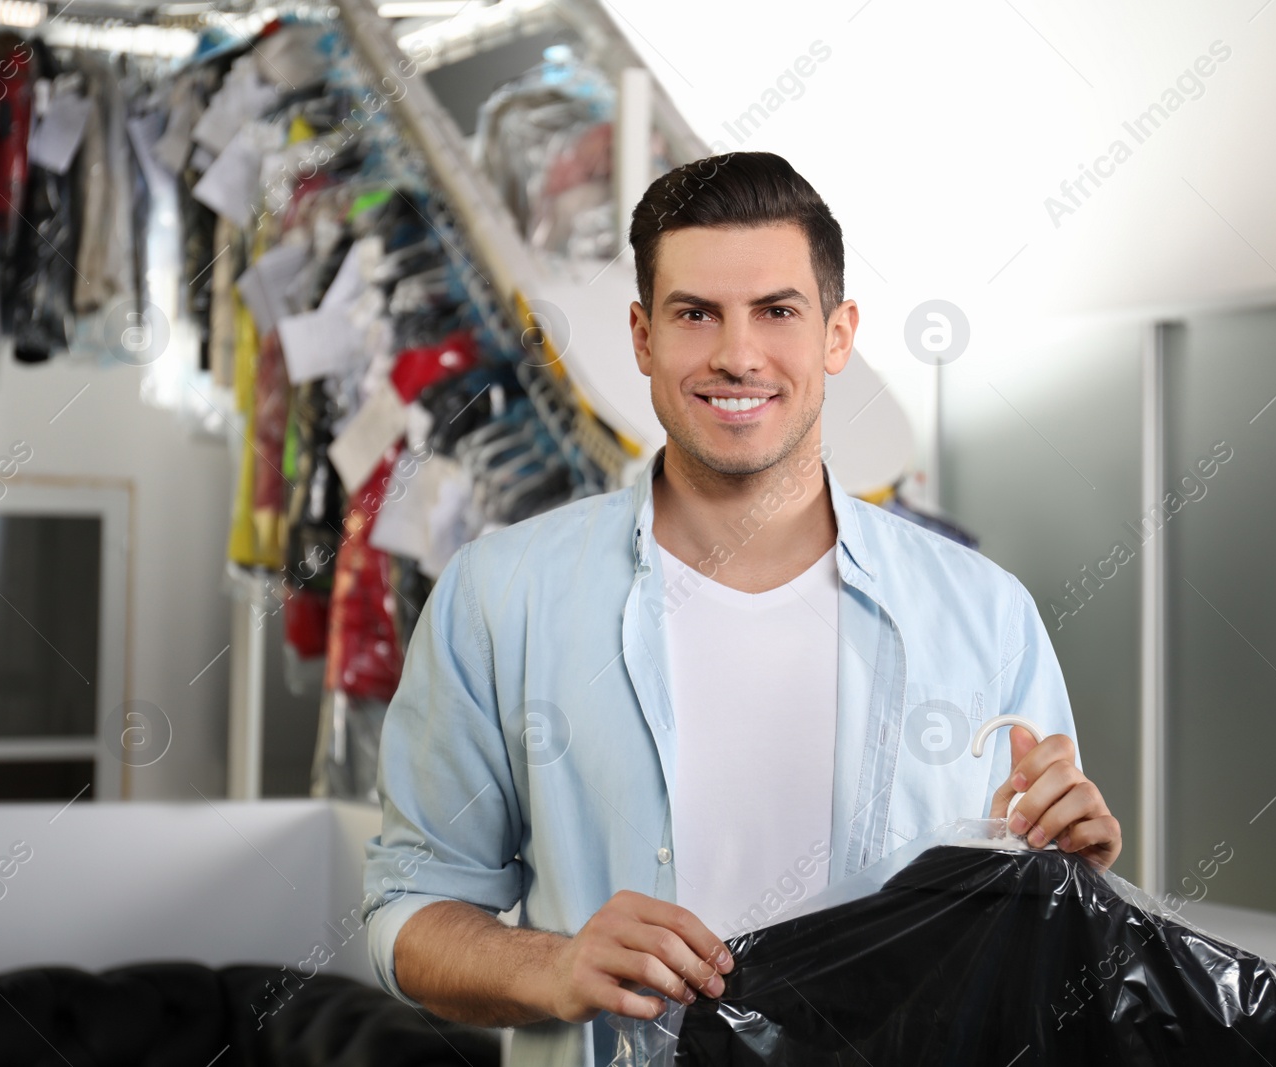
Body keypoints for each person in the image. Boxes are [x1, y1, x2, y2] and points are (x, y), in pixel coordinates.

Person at [363, 151, 1122, 1065]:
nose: (737, 353)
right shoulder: (500, 595)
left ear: (837, 336)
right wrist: (553, 965)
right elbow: (407, 910)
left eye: (777, 311)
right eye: (696, 314)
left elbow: (1030, 939)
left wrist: (1071, 875)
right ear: (642, 337)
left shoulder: (985, 614)